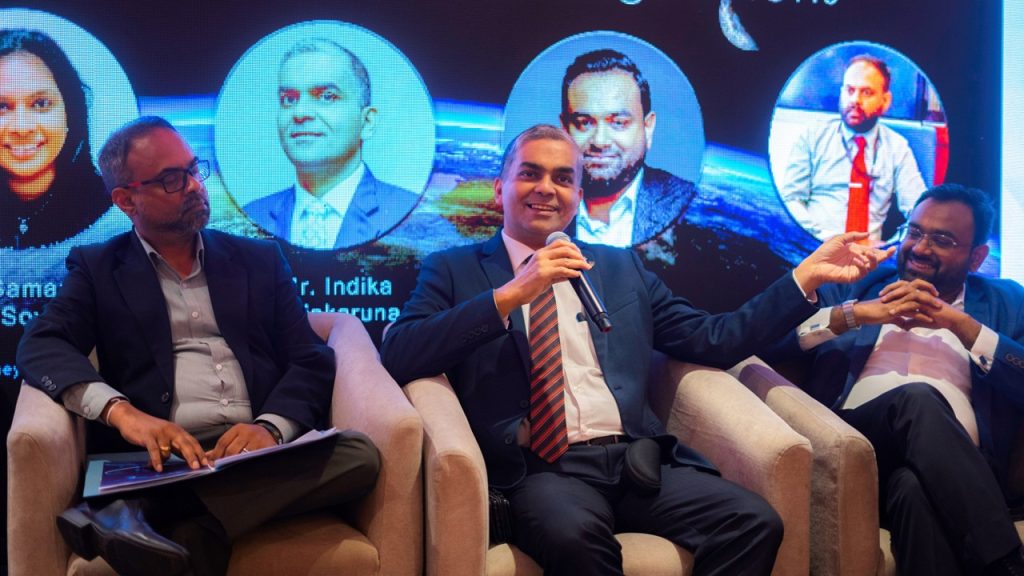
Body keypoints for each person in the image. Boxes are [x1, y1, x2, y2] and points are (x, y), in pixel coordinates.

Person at [380, 124, 892, 576]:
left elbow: (716, 339)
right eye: (530, 174)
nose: (546, 189)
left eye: (563, 179)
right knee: (576, 540)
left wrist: (805, 278)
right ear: (500, 188)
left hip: (634, 460)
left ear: (578, 196)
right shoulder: (454, 269)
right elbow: (401, 352)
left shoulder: (618, 267)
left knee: (753, 522)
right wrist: (513, 293)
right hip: (542, 470)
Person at [16, 116, 380, 576]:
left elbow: (309, 358)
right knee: (198, 538)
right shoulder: (98, 268)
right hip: (160, 459)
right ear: (126, 200)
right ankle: (180, 518)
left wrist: (269, 429)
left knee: (359, 455)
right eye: (172, 179)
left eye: (193, 169)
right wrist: (123, 413)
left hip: (253, 456)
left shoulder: (258, 260)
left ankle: (144, 515)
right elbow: (41, 344)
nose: (193, 186)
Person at [765, 184, 1024, 575]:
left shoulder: (1006, 302)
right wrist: (857, 315)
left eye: (942, 240)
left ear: (977, 257)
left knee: (913, 489)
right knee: (917, 400)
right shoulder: (856, 285)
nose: (920, 248)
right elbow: (770, 342)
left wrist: (963, 327)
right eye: (915, 232)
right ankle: (1008, 564)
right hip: (856, 451)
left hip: (960, 472)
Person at [243, 38, 419, 250]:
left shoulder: (410, 213)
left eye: (327, 97)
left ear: (367, 122)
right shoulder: (251, 215)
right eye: (289, 99)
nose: (300, 113)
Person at [777, 54, 927, 242]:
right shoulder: (812, 137)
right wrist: (821, 238)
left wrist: (891, 245)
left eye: (867, 92)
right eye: (849, 90)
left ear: (885, 101)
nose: (855, 99)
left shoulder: (897, 147)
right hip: (816, 246)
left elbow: (920, 211)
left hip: (870, 255)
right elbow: (791, 200)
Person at [559, 49, 698, 247]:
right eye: (584, 123)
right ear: (564, 130)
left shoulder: (688, 204)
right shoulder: (540, 202)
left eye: (618, 122)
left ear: (648, 128)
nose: (600, 141)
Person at [0, 28, 110, 249]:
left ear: (71, 111)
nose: (22, 128)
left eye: (40, 104)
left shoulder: (115, 214)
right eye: (1, 107)